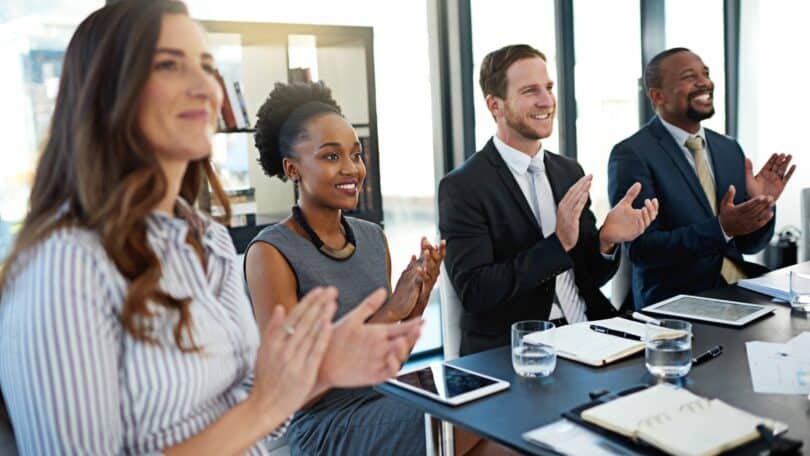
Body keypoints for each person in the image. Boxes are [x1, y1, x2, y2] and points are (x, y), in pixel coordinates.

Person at [0, 1, 421, 454]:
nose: (204, 85)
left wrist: (319, 370)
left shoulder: (207, 240)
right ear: (106, 92)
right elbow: (259, 411)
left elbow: (254, 413)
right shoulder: (64, 265)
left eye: (206, 65)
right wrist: (267, 404)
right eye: (169, 64)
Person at [246, 81, 444, 455]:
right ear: (292, 169)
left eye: (356, 154)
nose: (352, 168)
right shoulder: (270, 253)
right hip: (325, 426)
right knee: (465, 427)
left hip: (386, 398)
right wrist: (391, 311)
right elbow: (292, 392)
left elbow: (388, 361)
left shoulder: (372, 238)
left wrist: (417, 299)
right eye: (332, 157)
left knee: (488, 418)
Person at [438, 44, 659, 356]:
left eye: (549, 88)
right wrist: (559, 243)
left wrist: (606, 240)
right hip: (519, 348)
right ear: (495, 105)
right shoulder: (463, 186)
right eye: (530, 91)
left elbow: (591, 277)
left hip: (590, 328)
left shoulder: (568, 171)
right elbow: (476, 292)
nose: (547, 101)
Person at [608, 47, 795, 308]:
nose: (704, 82)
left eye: (705, 74)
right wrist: (722, 228)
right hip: (674, 302)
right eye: (688, 76)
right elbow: (642, 250)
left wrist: (761, 205)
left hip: (738, 290)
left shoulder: (729, 148)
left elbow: (749, 244)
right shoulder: (632, 154)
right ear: (657, 95)